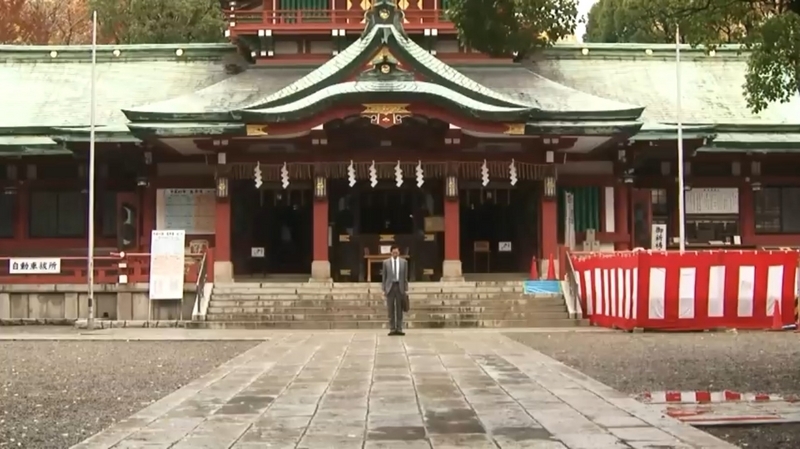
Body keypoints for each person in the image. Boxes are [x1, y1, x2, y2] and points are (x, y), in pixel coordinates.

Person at [382, 245, 408, 336]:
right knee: (391, 309)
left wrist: (405, 289)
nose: (395, 254)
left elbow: (405, 277)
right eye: (393, 252)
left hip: (400, 287)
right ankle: (392, 328)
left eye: (396, 252)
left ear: (399, 252)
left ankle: (399, 328)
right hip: (390, 287)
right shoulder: (386, 262)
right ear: (391, 252)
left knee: (399, 309)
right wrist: (384, 289)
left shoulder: (404, 262)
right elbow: (384, 277)